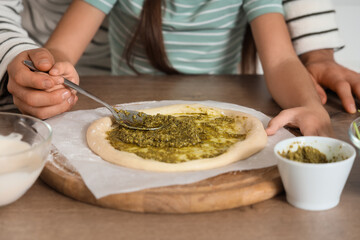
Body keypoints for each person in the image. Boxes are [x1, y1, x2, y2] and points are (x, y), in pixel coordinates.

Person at [0, 1, 355, 133]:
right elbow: (62, 47)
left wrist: (310, 107)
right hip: (131, 103)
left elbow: (279, 61)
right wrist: (54, 68)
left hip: (221, 110)